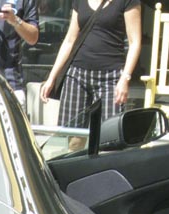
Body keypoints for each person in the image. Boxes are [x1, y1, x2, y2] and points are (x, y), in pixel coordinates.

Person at [40, 0, 142, 129]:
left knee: (110, 137)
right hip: (77, 74)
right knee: (71, 135)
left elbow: (135, 42)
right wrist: (51, 77)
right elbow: (69, 40)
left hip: (111, 77)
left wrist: (125, 78)